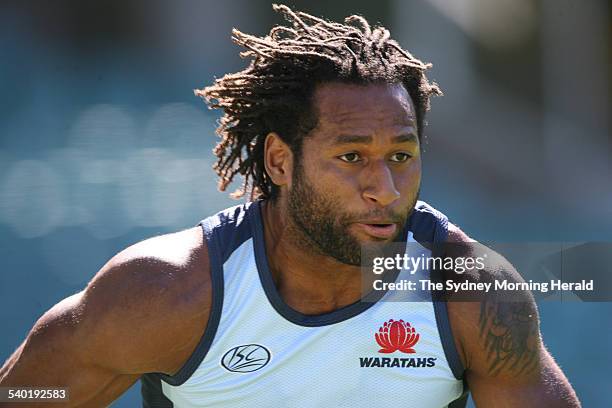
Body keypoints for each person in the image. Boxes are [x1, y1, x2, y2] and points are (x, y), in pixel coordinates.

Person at [0, 5, 580, 407]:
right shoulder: (164, 293)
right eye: (352, 158)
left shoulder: (474, 299)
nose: (384, 187)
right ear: (280, 162)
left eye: (400, 157)